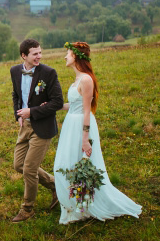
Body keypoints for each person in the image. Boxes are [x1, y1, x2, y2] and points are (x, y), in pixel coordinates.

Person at [54, 41, 142, 224]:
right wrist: (53, 107)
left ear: (76, 56)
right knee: (68, 165)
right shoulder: (77, 80)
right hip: (71, 125)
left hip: (81, 128)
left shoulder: (86, 80)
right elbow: (75, 105)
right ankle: (77, 205)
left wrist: (85, 139)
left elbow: (87, 110)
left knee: (81, 166)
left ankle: (84, 206)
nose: (65, 57)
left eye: (68, 54)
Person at [10, 38, 64, 222]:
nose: (39, 56)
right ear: (24, 55)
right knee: (19, 165)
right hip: (25, 126)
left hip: (43, 126)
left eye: (40, 52)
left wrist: (31, 111)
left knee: (29, 170)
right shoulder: (15, 71)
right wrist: (18, 115)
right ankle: (55, 185)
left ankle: (27, 209)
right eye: (35, 54)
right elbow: (16, 94)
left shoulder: (49, 73)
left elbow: (57, 102)